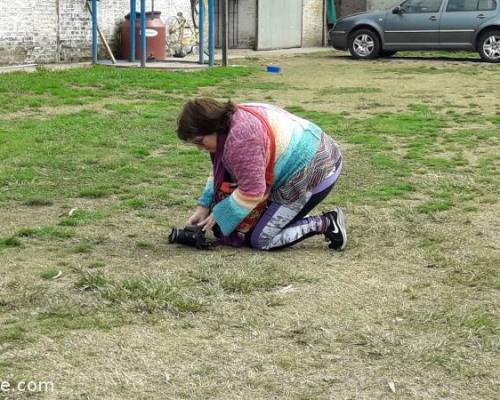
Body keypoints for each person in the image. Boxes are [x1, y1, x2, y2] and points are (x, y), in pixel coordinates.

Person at [176, 98, 346, 251]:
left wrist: (219, 215)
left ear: (211, 126)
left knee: (261, 238)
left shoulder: (241, 139)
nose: (200, 147)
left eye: (199, 141)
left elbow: (253, 191)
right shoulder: (230, 120)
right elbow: (221, 168)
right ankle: (285, 216)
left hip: (316, 169)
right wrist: (204, 206)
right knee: (242, 226)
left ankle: (326, 222)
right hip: (315, 150)